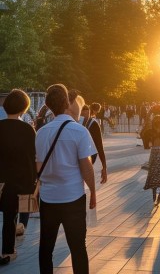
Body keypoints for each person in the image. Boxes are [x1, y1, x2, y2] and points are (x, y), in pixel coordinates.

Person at [36, 84, 97, 274]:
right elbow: (86, 167)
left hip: (48, 198)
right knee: (78, 247)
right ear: (66, 103)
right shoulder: (79, 131)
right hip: (73, 197)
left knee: (46, 247)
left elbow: (38, 167)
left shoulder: (40, 133)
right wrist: (93, 192)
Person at [0, 89, 37, 266]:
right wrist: (33, 182)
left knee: (7, 216)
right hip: (20, 182)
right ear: (24, 108)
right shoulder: (28, 130)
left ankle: (8, 247)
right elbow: (32, 157)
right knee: (13, 215)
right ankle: (8, 249)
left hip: (1, 181)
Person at [80, 102, 108, 184]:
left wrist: (104, 167)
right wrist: (104, 168)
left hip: (83, 160)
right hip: (87, 158)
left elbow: (99, 147)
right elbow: (100, 147)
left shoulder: (73, 123)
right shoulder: (93, 123)